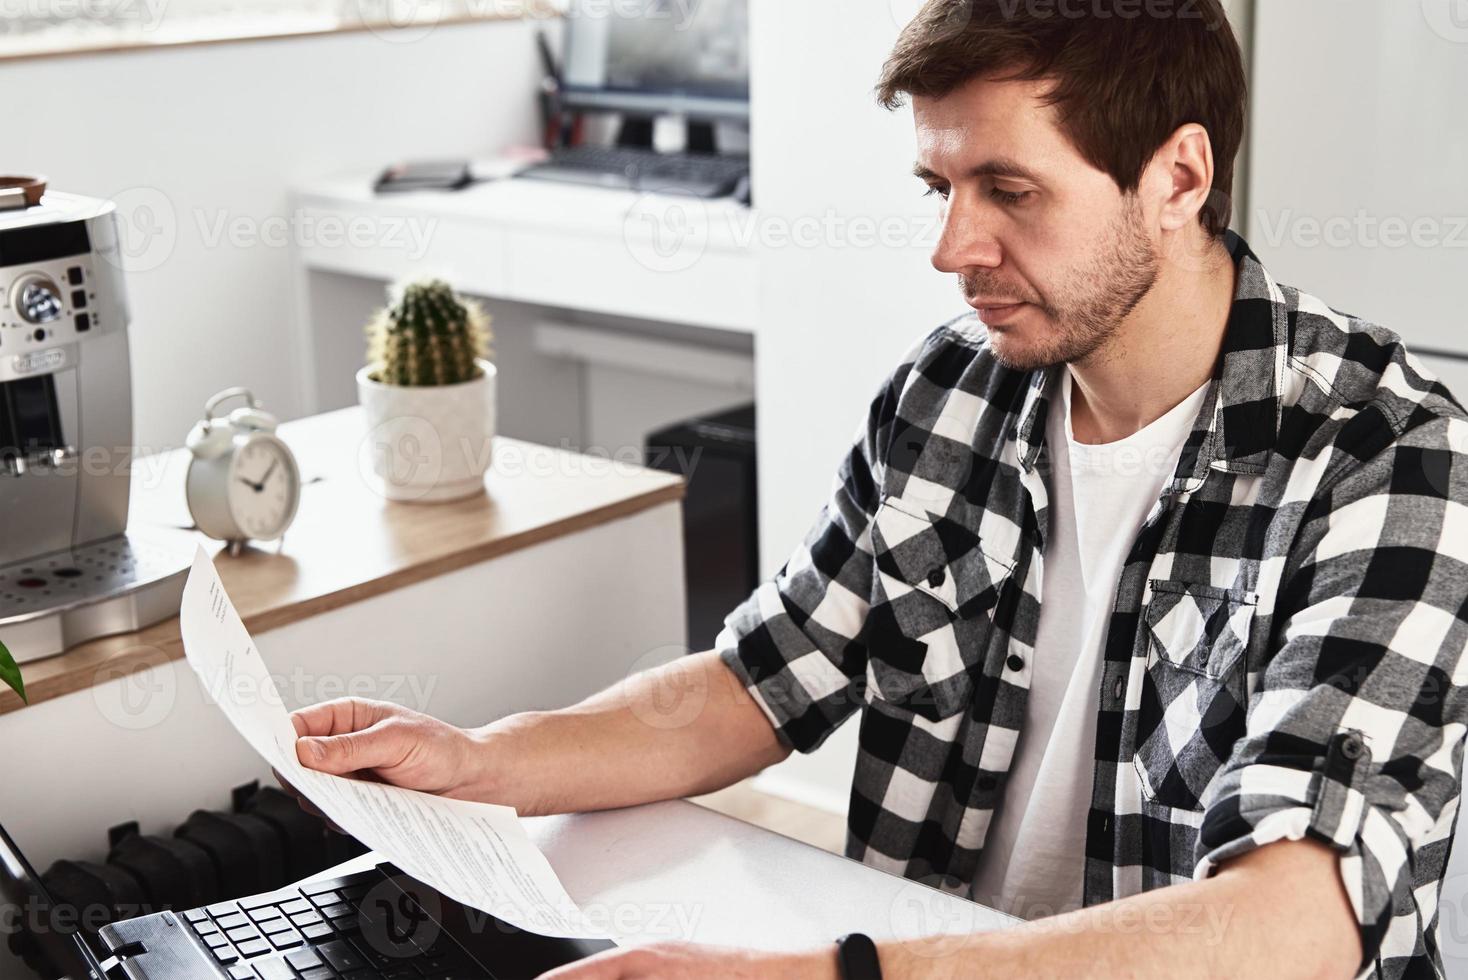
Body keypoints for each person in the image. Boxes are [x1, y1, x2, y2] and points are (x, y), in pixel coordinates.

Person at [289, 2, 1468, 977]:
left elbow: (1291, 920)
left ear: (1177, 175)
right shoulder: (950, 390)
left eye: (1009, 190)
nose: (952, 248)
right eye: (938, 187)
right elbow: (756, 681)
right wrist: (490, 757)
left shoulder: (1387, 453)